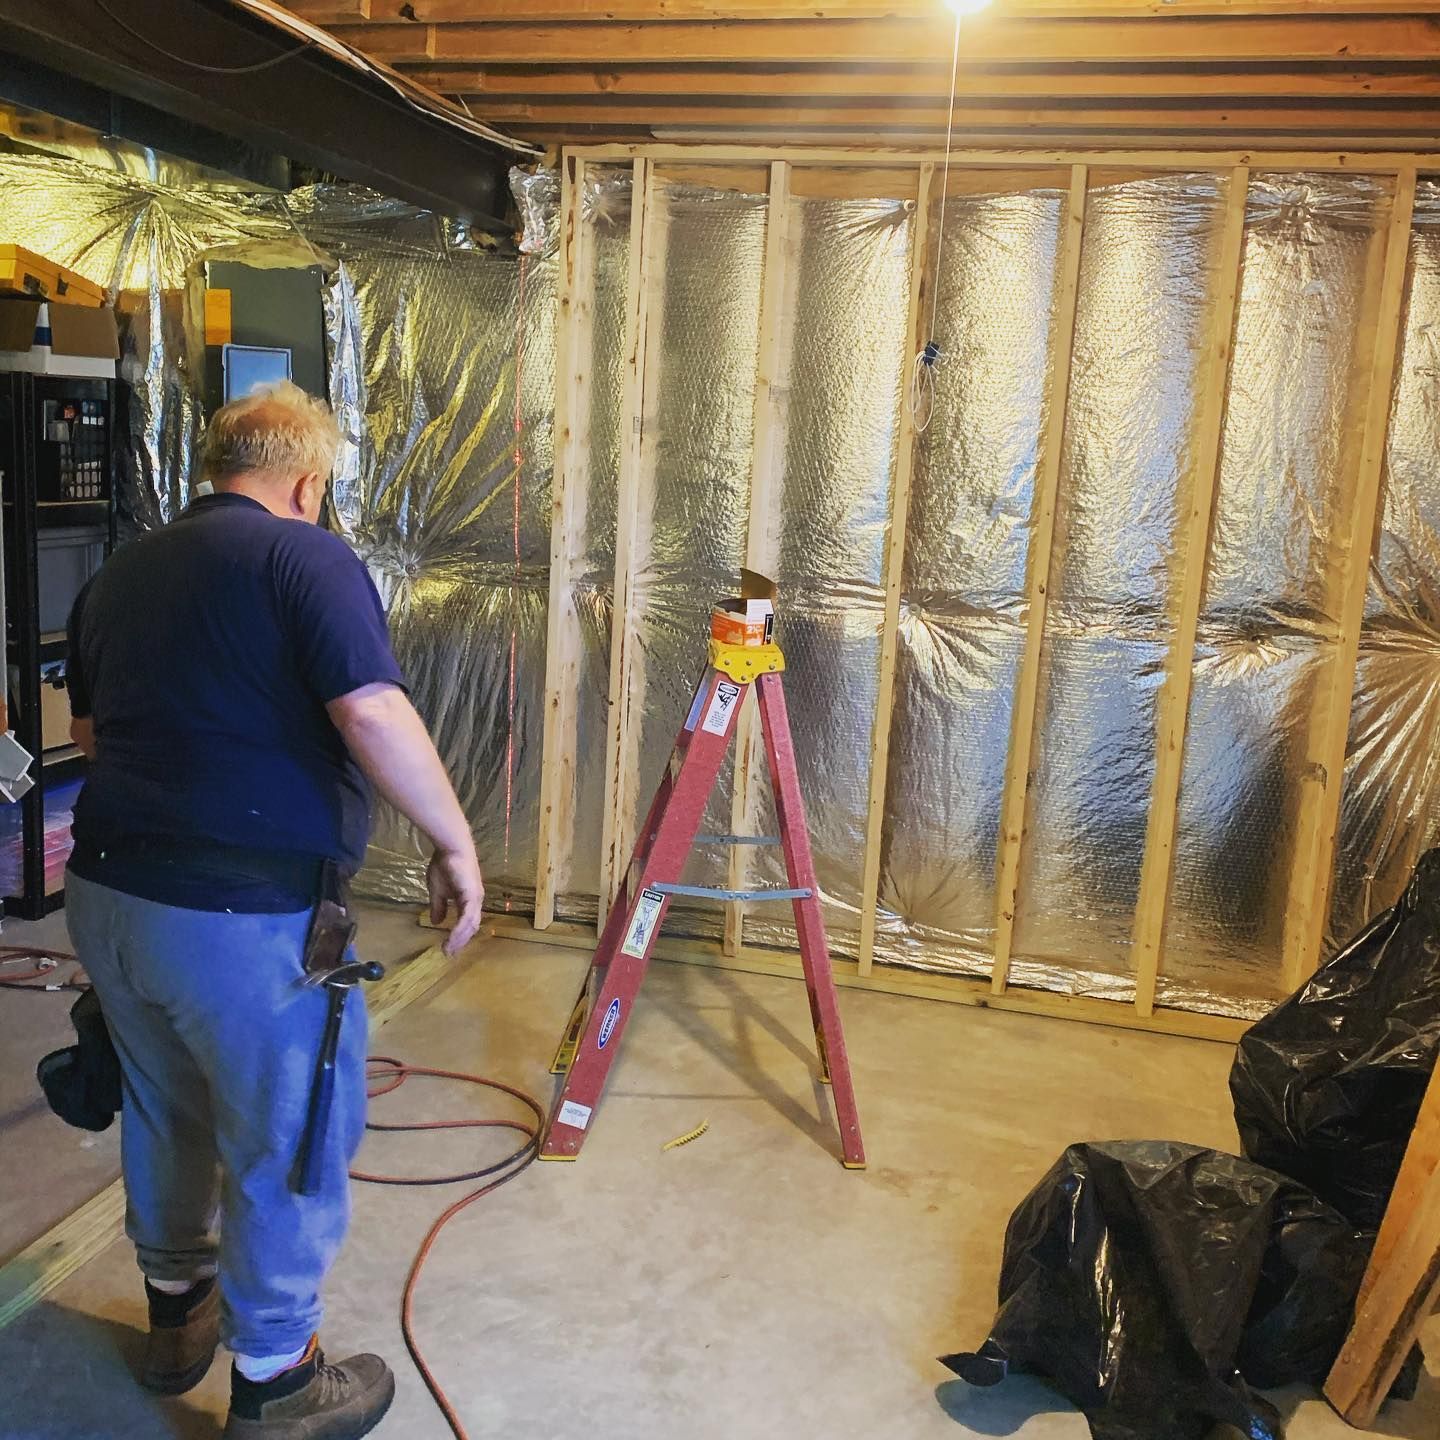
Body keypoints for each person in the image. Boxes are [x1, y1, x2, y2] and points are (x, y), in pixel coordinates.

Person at [64, 381, 484, 1440]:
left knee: (165, 1112)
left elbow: (93, 739)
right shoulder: (308, 558)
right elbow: (371, 707)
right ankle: (277, 1380)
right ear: (307, 481)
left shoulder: (122, 572)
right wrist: (454, 841)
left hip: (109, 899)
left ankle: (178, 1318)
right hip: (242, 921)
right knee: (286, 1136)